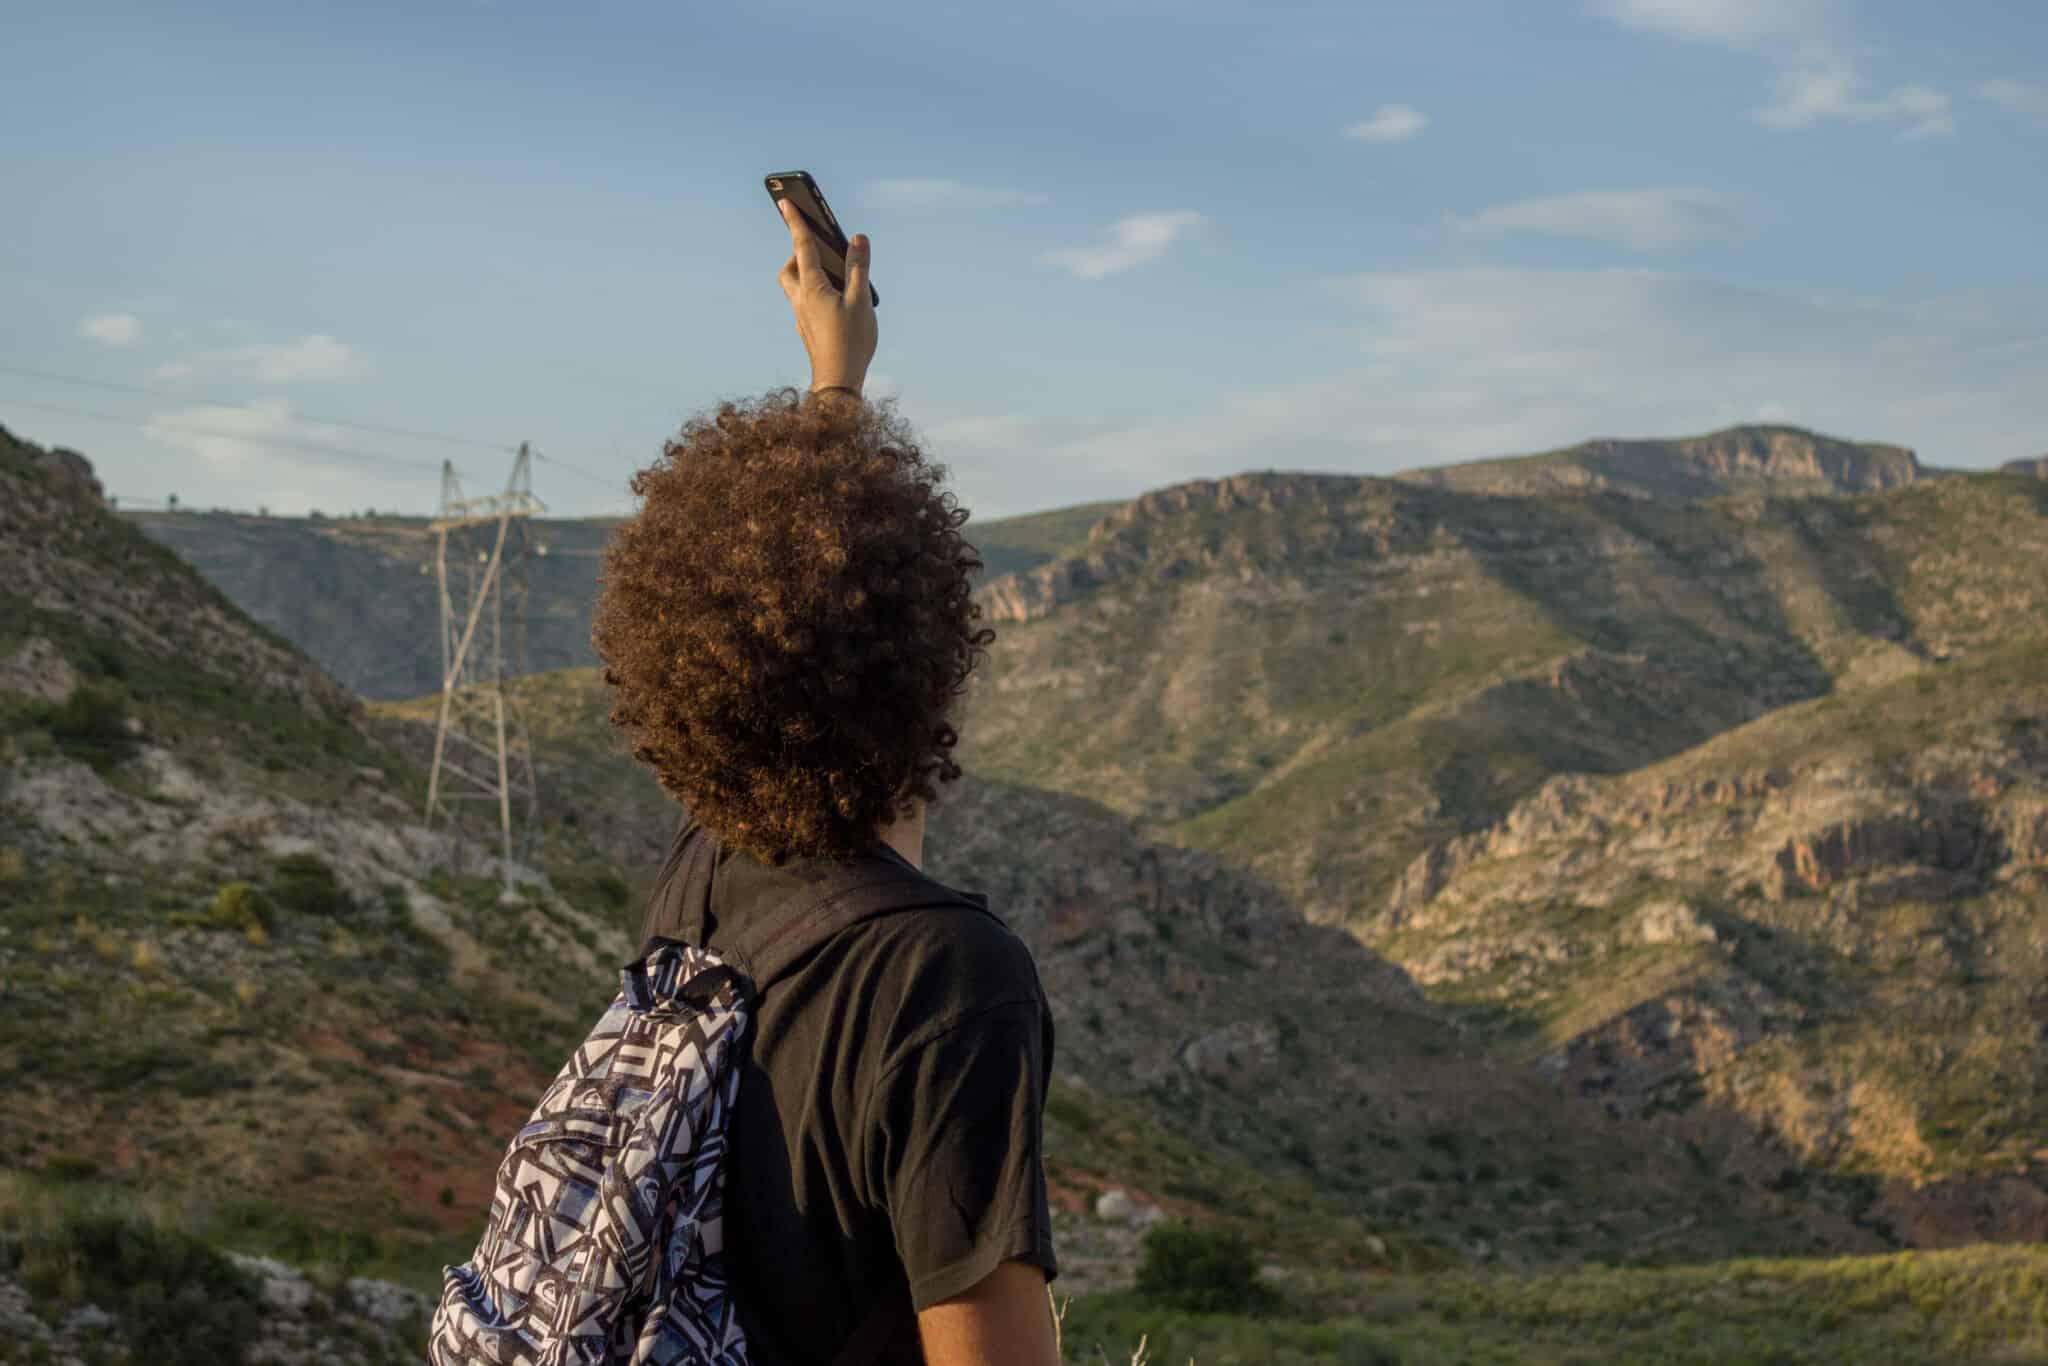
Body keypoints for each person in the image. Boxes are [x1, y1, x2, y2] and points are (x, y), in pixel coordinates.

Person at [586, 197, 1061, 1365]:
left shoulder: (707, 875)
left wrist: (834, 380)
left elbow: (780, 597)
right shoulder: (946, 982)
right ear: (932, 660)